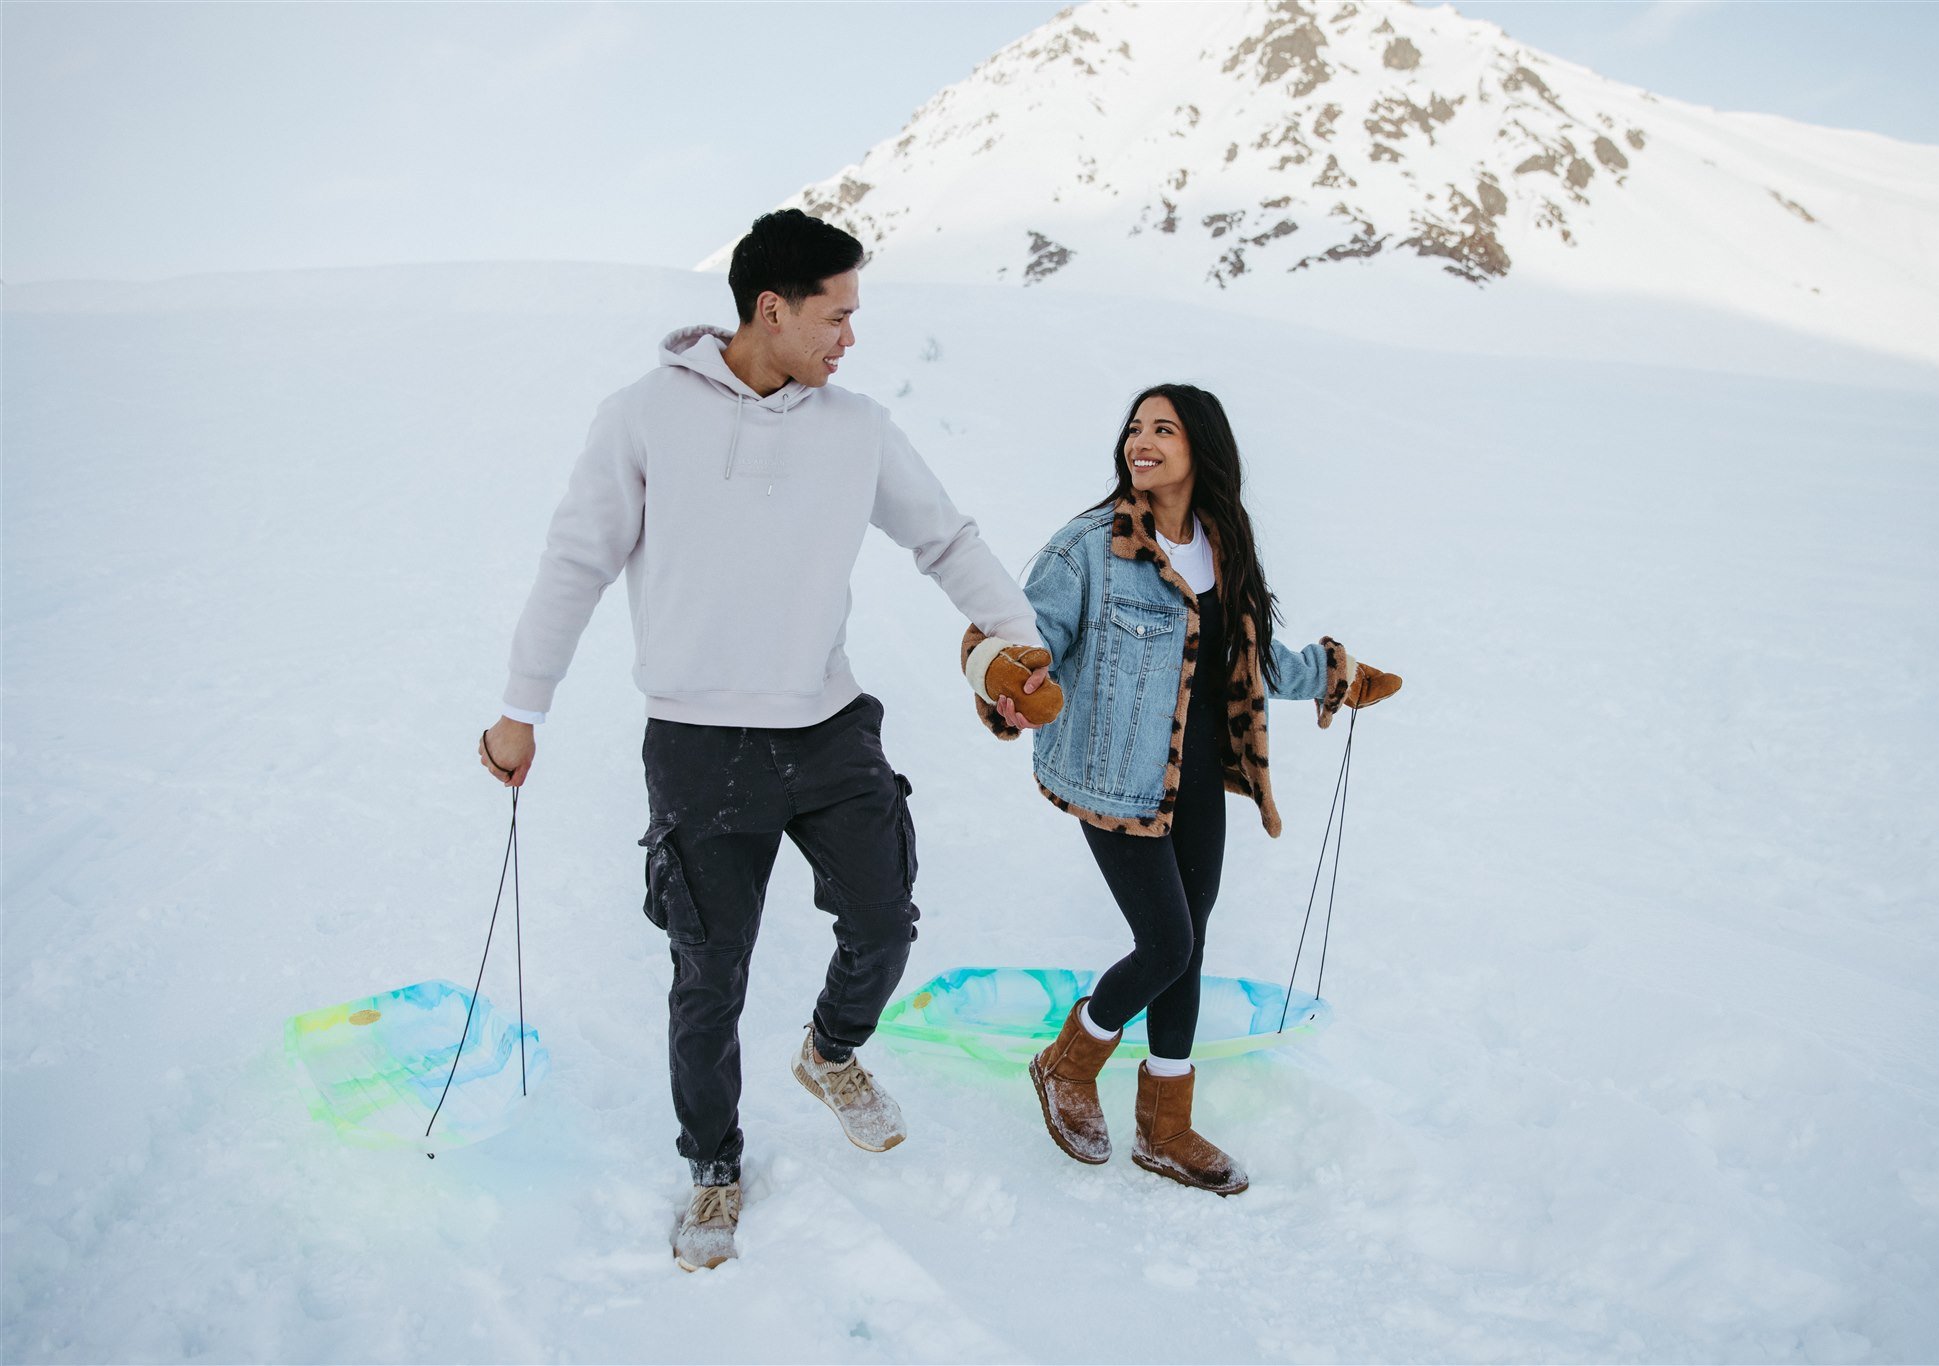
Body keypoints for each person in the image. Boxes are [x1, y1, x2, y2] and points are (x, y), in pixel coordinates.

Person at [477, 209, 1044, 1271]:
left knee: (883, 920)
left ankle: (831, 1053)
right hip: (699, 744)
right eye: (837, 314)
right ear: (769, 310)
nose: (849, 337)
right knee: (709, 976)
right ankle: (711, 1164)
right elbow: (574, 564)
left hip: (826, 725)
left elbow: (944, 538)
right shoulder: (642, 417)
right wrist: (522, 709)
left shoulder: (857, 426)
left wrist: (1017, 641)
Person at [960, 383, 1400, 1196]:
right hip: (1111, 775)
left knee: (1190, 941)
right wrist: (1010, 678)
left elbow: (1259, 661)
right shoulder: (1090, 545)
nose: (1141, 440)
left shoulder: (1224, 543)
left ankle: (1165, 1127)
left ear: (1202, 446)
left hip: (1199, 774)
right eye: (1134, 427)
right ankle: (1067, 1061)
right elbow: (1033, 637)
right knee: (1167, 943)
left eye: (1162, 428)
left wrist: (1339, 678)